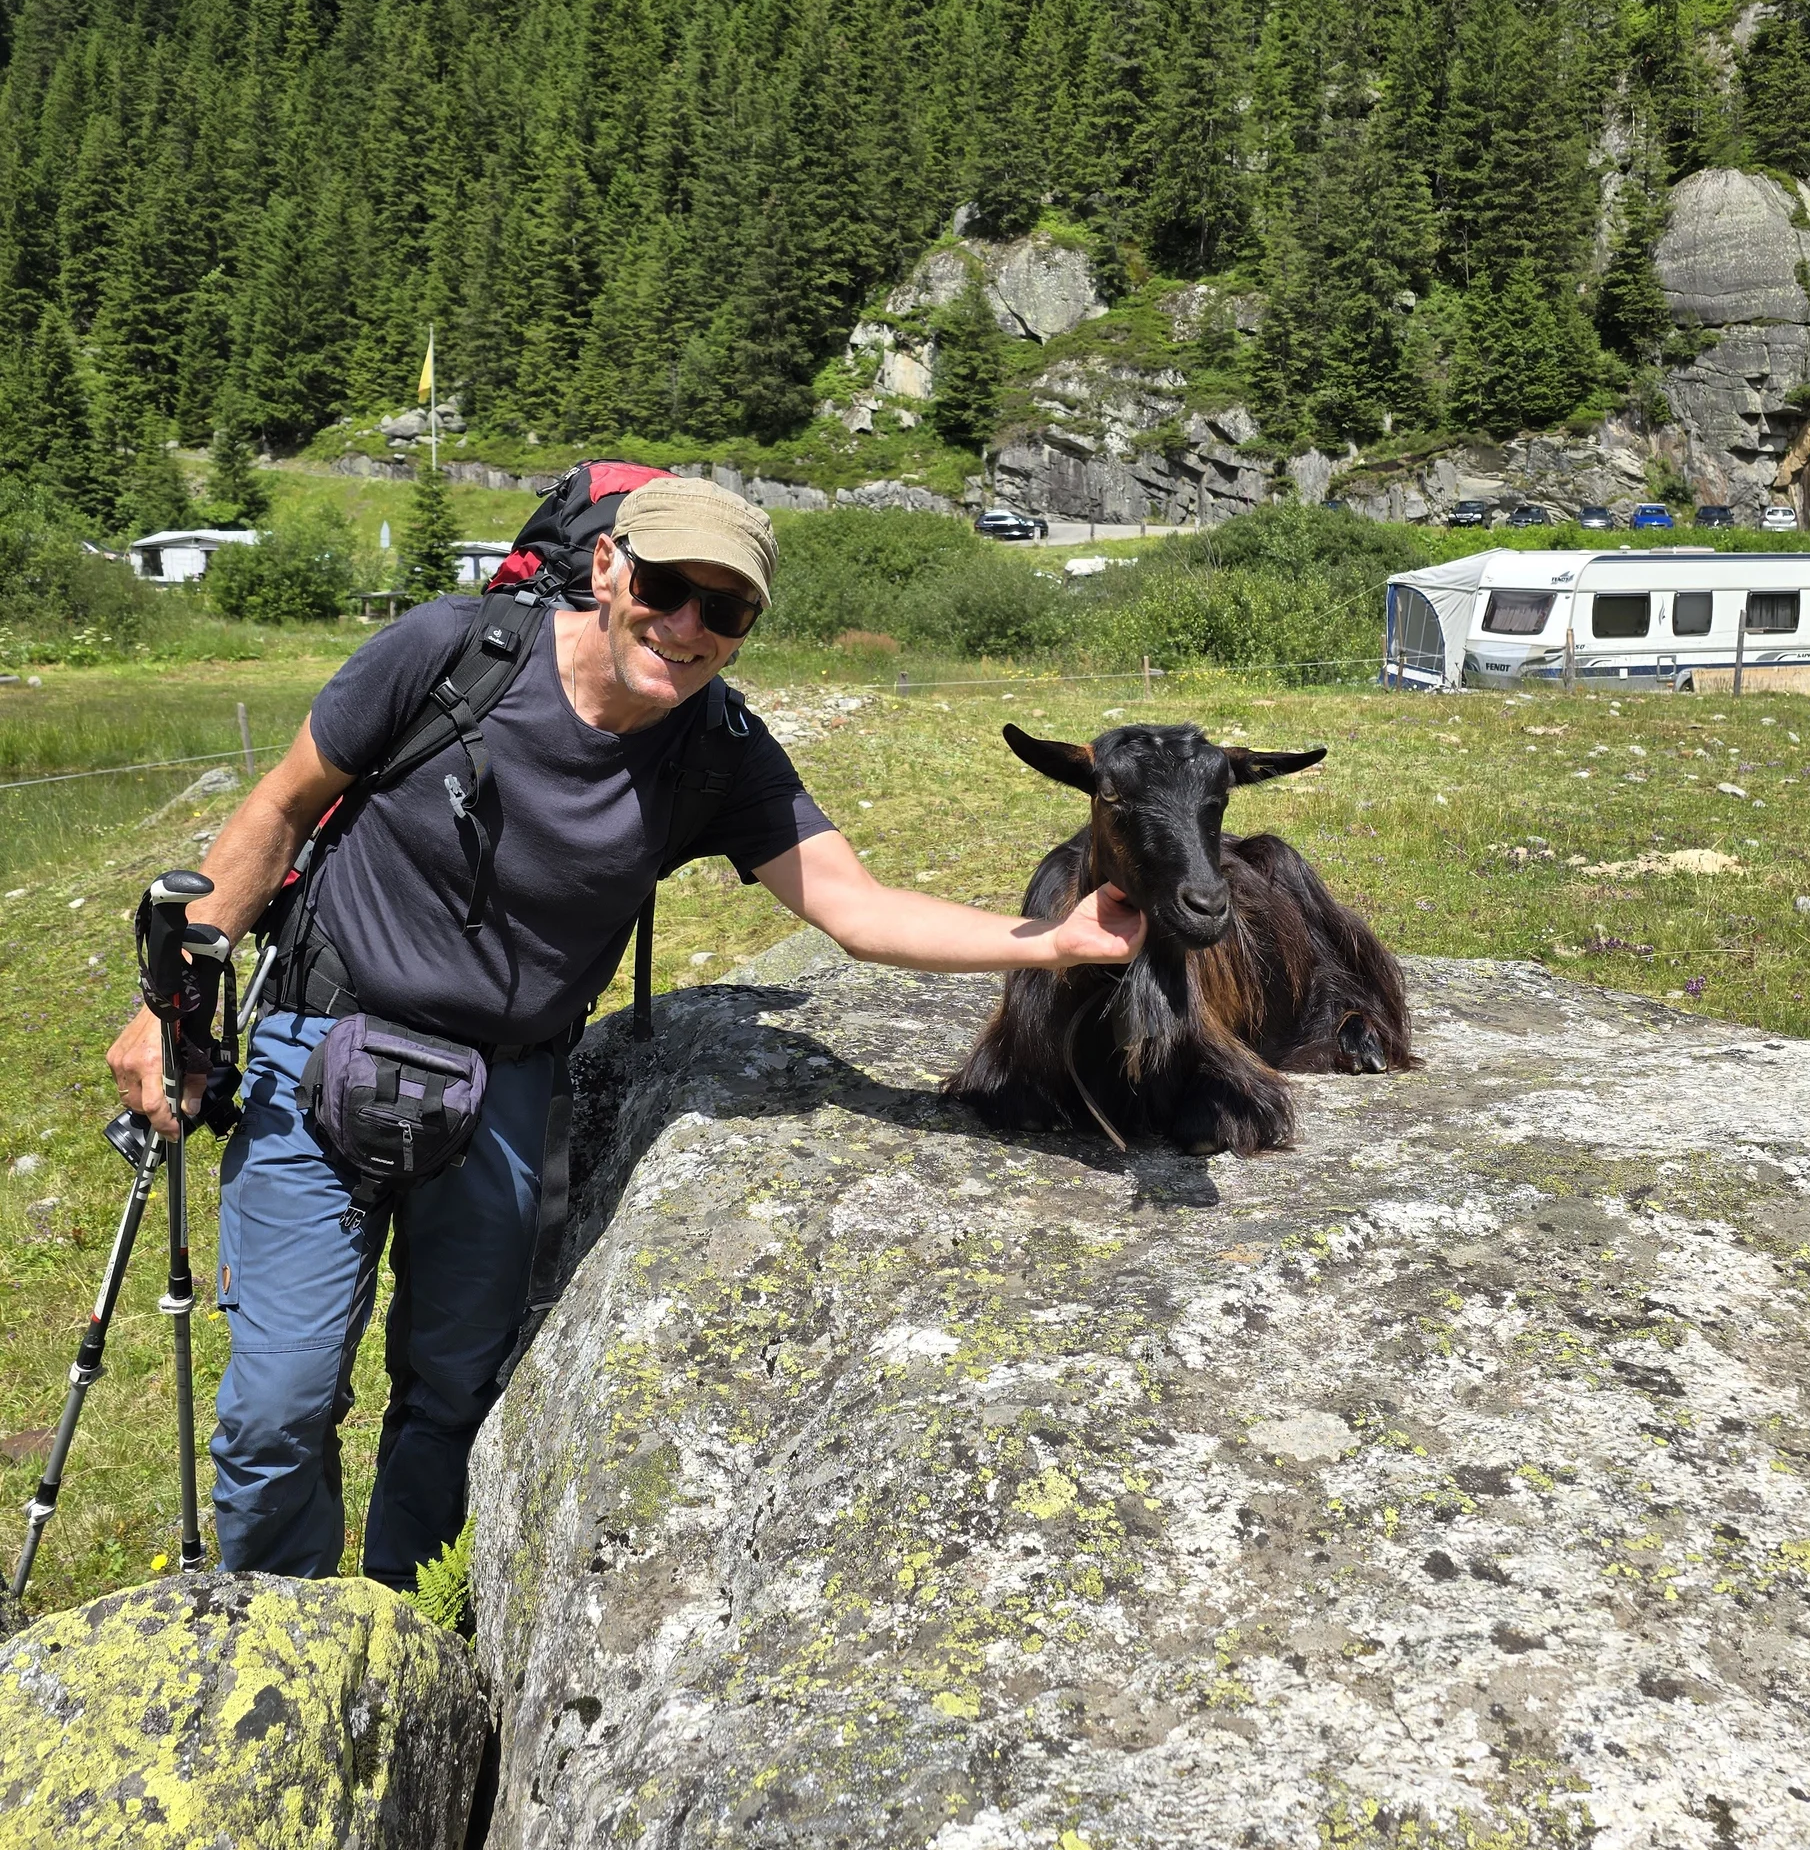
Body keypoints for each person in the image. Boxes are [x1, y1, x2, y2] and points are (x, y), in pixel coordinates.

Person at [107, 477, 1142, 1587]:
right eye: (664, 588)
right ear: (607, 568)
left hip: (501, 1090)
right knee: (278, 1403)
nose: (687, 627)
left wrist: (1054, 940)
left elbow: (853, 906)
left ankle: (407, 1628)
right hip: (320, 1043)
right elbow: (279, 805)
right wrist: (168, 1009)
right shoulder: (454, 651)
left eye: (726, 611)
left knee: (454, 1394)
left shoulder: (720, 751)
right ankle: (282, 1628)